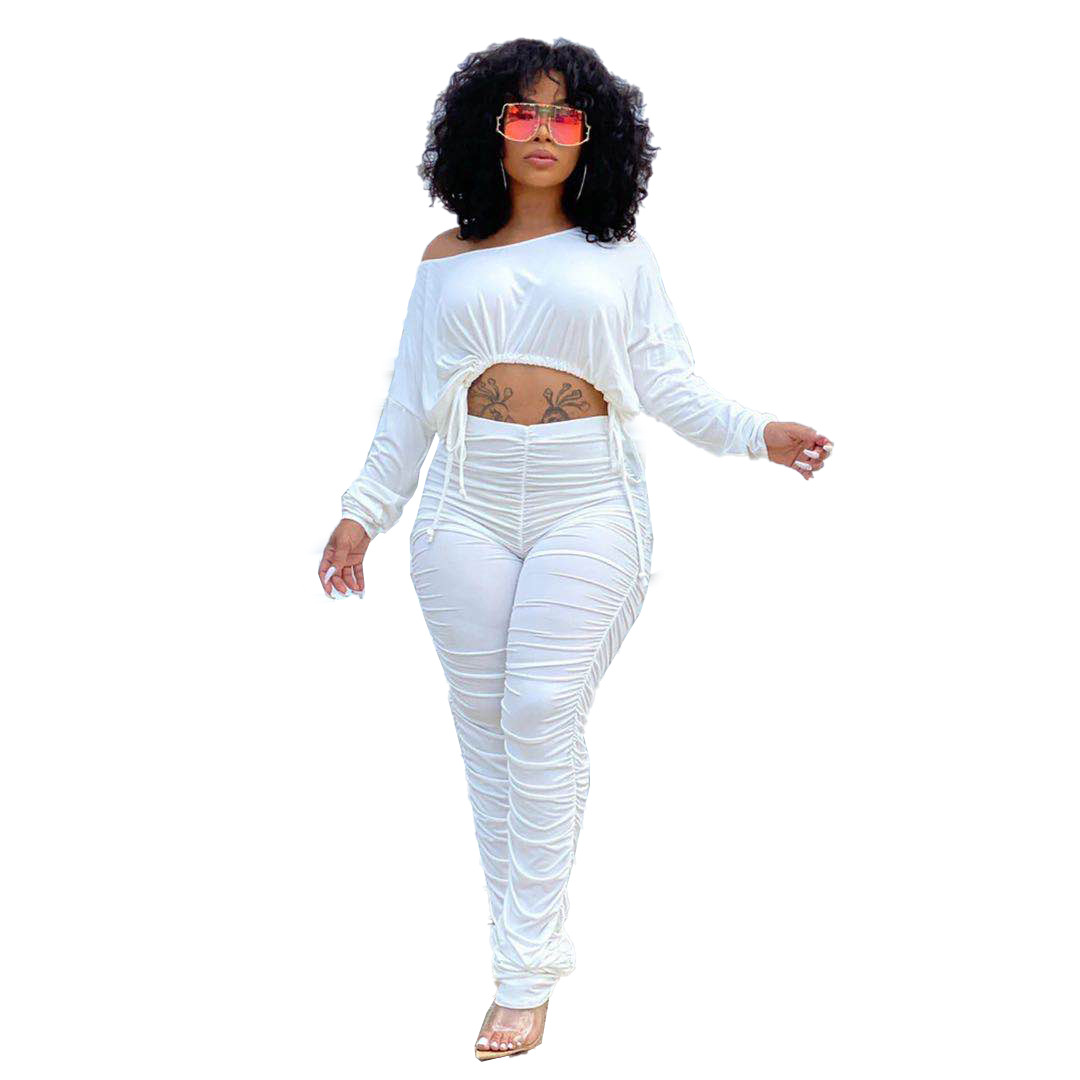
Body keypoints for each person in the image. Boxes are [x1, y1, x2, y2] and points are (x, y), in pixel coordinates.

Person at [318, 38, 833, 1061]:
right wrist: (361, 512)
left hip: (586, 499)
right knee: (486, 733)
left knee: (539, 708)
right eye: (523, 113)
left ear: (594, 135)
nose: (544, 132)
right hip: (464, 503)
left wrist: (757, 432)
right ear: (491, 131)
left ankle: (526, 974)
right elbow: (410, 400)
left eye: (564, 115)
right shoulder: (445, 258)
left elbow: (669, 381)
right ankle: (521, 955)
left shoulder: (621, 256)